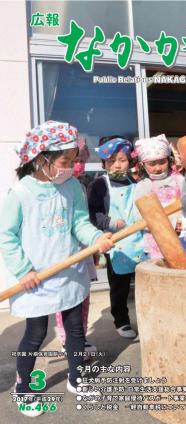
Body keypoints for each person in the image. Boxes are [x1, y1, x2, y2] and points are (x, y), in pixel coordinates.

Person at [0, 121, 113, 417]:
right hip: (35, 280)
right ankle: (23, 387)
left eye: (74, 160)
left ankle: (76, 379)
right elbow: (6, 236)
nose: (71, 167)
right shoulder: (21, 192)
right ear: (42, 159)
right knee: (35, 335)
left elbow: (79, 224)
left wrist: (96, 239)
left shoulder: (72, 186)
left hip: (69, 273)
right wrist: (24, 270)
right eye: (65, 161)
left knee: (75, 330)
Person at [88, 136, 144, 339]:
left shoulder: (134, 182)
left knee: (143, 284)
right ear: (103, 163)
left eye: (122, 159)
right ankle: (121, 321)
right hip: (116, 242)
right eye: (111, 161)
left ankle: (146, 320)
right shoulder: (99, 185)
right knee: (119, 286)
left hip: (138, 239)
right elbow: (93, 214)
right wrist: (110, 222)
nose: (117, 164)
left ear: (130, 161)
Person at [55, 136, 98, 354]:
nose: (77, 164)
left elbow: (83, 221)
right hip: (62, 253)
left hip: (82, 249)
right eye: (72, 160)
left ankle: (80, 337)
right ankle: (66, 338)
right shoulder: (53, 187)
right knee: (64, 297)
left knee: (83, 295)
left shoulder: (79, 186)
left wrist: (94, 241)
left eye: (80, 159)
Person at [134, 134, 185, 258]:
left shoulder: (179, 180)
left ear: (169, 160)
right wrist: (164, 227)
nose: (157, 168)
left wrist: (182, 222)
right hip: (154, 241)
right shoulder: (143, 186)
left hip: (180, 238)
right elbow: (139, 216)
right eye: (152, 164)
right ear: (143, 165)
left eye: (162, 162)